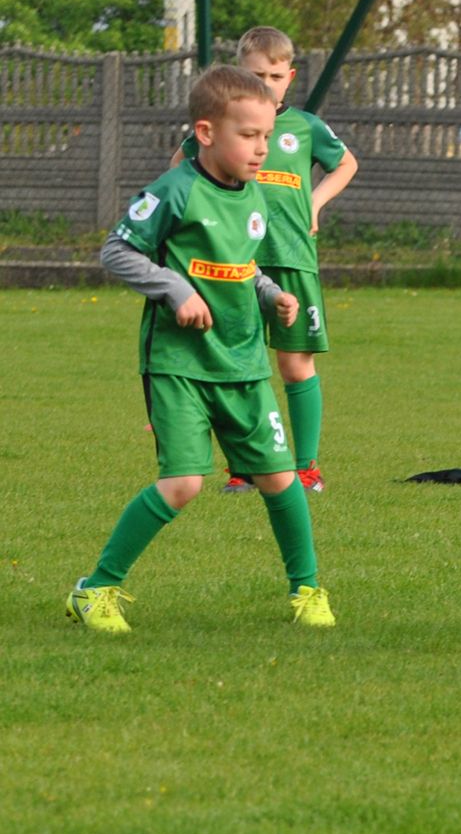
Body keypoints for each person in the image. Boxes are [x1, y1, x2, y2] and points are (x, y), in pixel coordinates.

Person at [70, 64, 334, 633]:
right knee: (184, 483)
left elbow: (245, 265)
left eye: (266, 136)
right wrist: (175, 288)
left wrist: (270, 296)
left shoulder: (258, 197)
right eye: (249, 136)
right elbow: (116, 251)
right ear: (207, 133)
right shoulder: (174, 191)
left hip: (243, 363)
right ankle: (96, 590)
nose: (262, 148)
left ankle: (309, 589)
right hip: (180, 364)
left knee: (281, 478)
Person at [174, 26, 359, 493]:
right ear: (239, 74)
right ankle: (245, 466)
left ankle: (307, 467)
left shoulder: (305, 127)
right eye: (257, 74)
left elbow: (346, 164)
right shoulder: (219, 128)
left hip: (293, 260)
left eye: (276, 75)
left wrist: (314, 204)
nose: (268, 83)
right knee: (241, 362)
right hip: (235, 264)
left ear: (290, 77)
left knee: (295, 364)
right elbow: (179, 169)